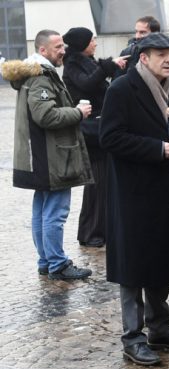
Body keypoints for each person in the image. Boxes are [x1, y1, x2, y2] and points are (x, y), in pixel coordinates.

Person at [100, 33, 169, 366]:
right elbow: (110, 137)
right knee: (133, 267)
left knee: (161, 260)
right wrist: (156, 149)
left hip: (165, 190)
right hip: (133, 194)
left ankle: (161, 327)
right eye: (162, 54)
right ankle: (133, 336)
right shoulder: (121, 89)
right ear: (144, 57)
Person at [2, 30, 93, 280]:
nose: (63, 50)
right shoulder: (41, 76)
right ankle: (57, 264)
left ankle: (47, 260)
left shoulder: (34, 73)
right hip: (52, 158)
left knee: (42, 211)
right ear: (43, 51)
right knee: (55, 212)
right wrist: (78, 112)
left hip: (42, 156)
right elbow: (47, 116)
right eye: (57, 47)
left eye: (63, 45)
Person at [61, 27, 126, 249]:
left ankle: (100, 229)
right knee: (97, 181)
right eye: (92, 40)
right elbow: (87, 84)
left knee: (103, 180)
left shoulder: (87, 61)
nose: (95, 43)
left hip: (98, 127)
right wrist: (107, 66)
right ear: (82, 44)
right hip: (90, 130)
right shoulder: (72, 64)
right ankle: (91, 232)